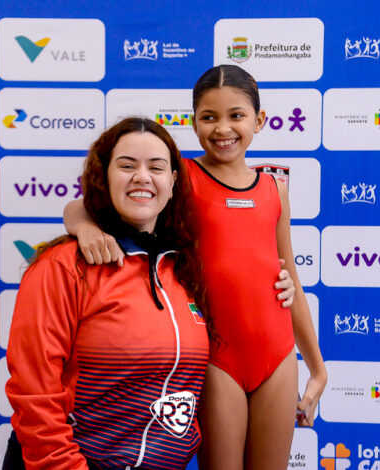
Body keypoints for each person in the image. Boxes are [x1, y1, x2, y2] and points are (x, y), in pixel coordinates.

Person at [64, 65, 326, 470]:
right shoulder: (182, 176)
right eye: (209, 117)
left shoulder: (275, 188)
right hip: (217, 359)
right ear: (193, 122)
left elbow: (290, 278)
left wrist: (318, 369)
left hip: (277, 357)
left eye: (236, 115)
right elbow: (80, 206)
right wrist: (84, 228)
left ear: (259, 120)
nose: (223, 128)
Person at [5, 118, 210, 470]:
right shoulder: (63, 266)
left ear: (173, 181)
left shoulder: (183, 270)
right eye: (127, 166)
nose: (142, 177)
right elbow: (35, 394)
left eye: (156, 167)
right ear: (105, 176)